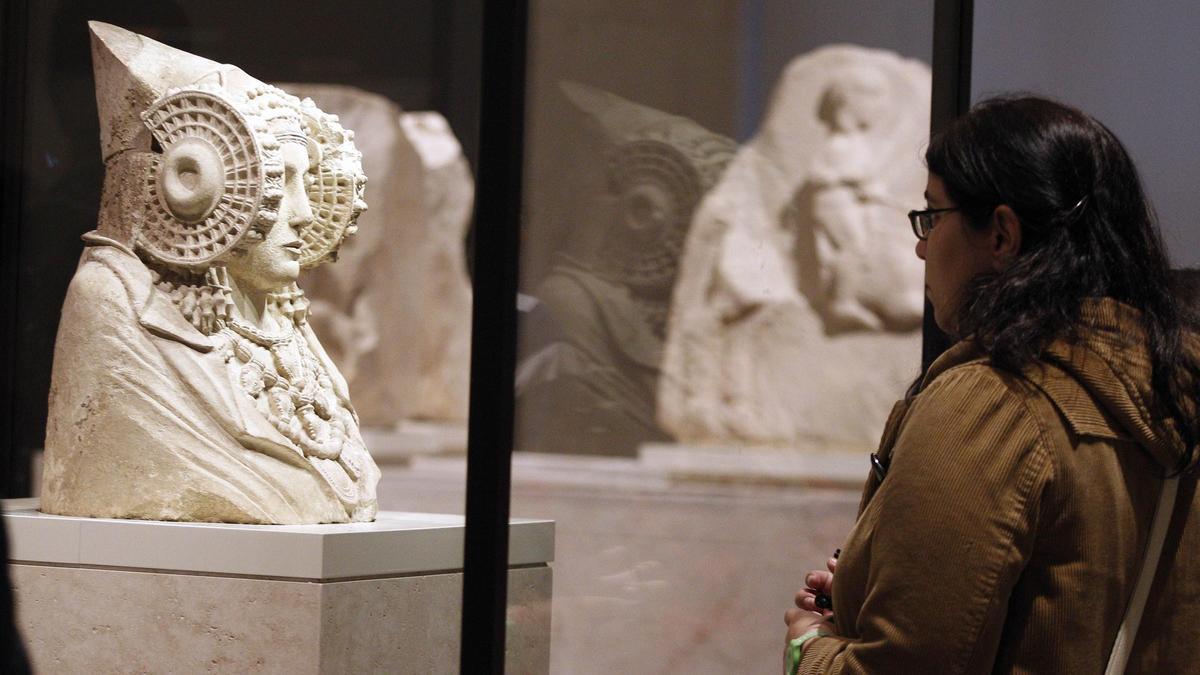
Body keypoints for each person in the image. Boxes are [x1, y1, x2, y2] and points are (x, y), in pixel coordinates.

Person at [783, 95, 1200, 673]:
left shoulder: (991, 405)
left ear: (1001, 234)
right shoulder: (1177, 388)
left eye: (932, 216)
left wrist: (812, 647)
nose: (921, 245)